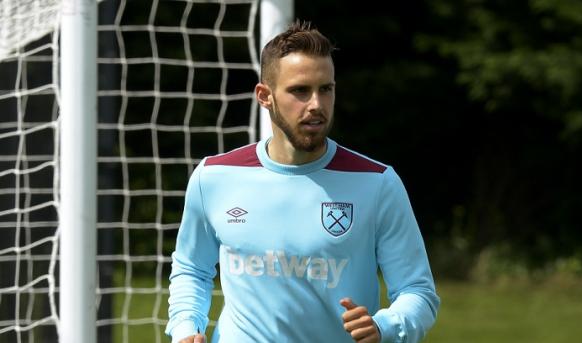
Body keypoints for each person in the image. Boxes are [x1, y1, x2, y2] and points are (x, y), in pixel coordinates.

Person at [165, 20, 440, 343]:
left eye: (326, 89)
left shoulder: (376, 183)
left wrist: (385, 326)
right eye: (300, 91)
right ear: (265, 96)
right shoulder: (214, 177)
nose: (316, 105)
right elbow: (191, 269)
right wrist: (186, 328)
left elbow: (417, 290)